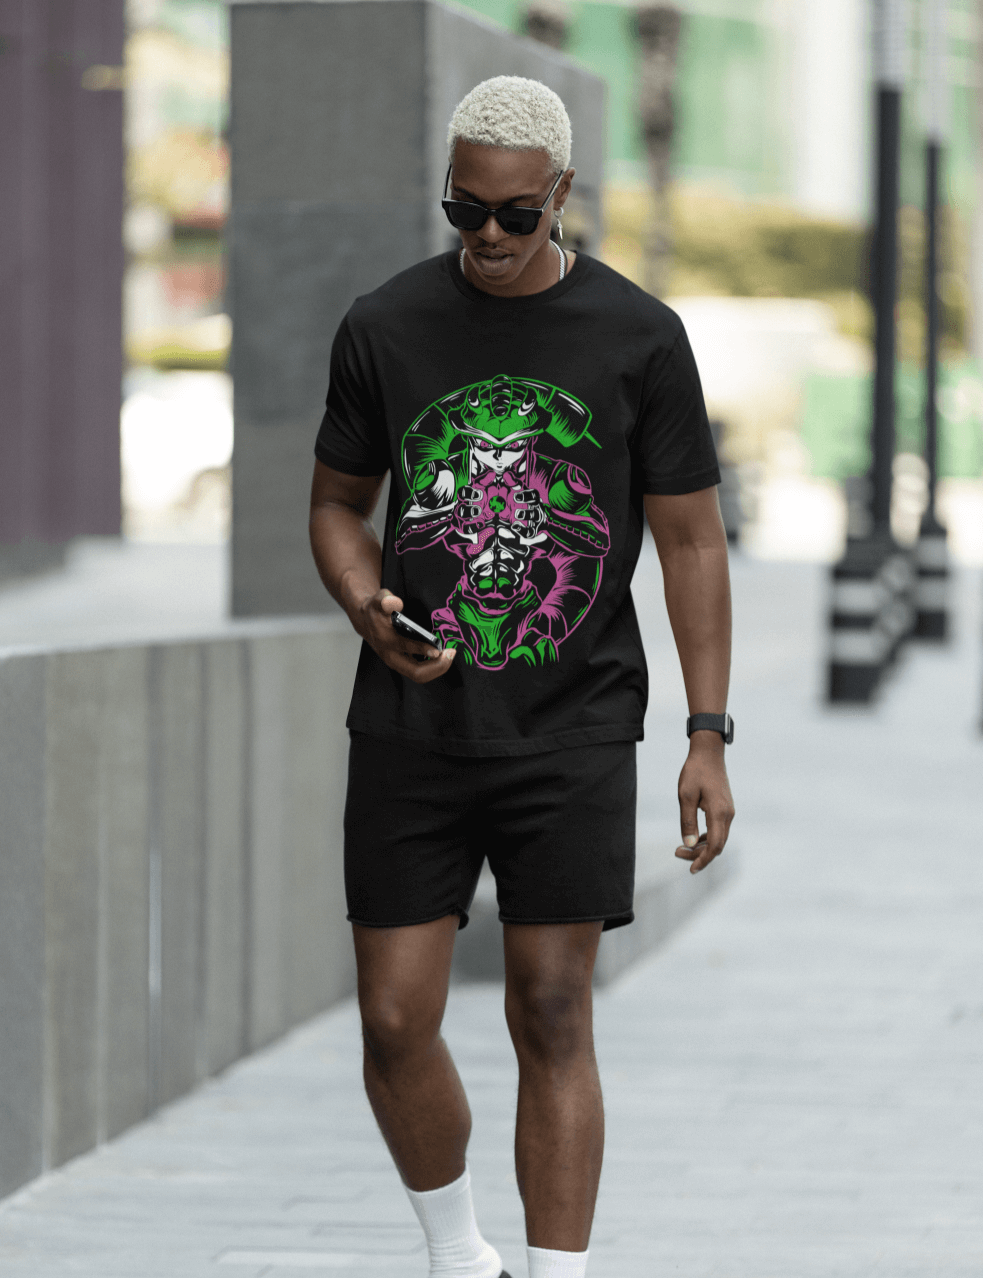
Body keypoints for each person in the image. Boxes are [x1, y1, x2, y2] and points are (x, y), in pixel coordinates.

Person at [309, 75, 734, 1278]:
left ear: (560, 195)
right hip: (410, 724)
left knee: (551, 1008)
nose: (487, 236)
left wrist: (707, 733)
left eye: (513, 214)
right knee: (393, 1019)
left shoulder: (639, 335)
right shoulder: (384, 325)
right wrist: (366, 605)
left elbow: (691, 542)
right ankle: (460, 1255)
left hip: (573, 724)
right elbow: (337, 507)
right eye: (463, 210)